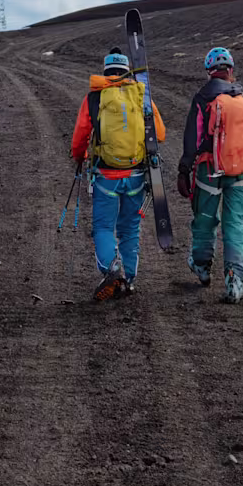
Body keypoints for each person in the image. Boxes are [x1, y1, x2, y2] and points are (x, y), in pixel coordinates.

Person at [69, 47, 167, 302]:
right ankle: (129, 279)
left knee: (103, 227)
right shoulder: (141, 95)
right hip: (136, 176)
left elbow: (80, 136)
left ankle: (112, 268)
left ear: (106, 72)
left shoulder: (94, 98)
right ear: (127, 72)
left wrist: (79, 156)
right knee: (130, 228)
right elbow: (160, 133)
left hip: (105, 175)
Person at [176, 46, 243, 304]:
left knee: (205, 219)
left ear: (209, 71)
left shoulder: (202, 98)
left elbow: (193, 138)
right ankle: (235, 279)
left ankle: (202, 266)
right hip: (242, 170)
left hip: (209, 170)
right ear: (231, 69)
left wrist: (184, 169)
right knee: (235, 224)